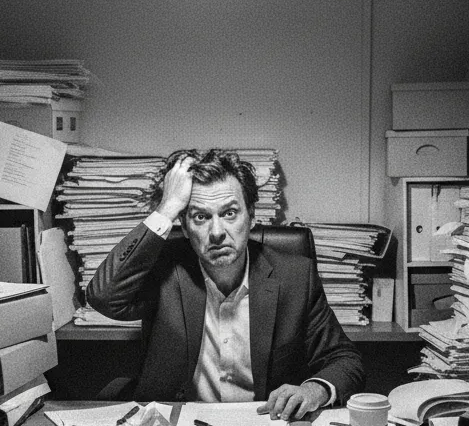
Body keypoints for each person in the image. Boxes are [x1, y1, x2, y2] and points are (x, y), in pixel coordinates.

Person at [87, 148, 364, 412]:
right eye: (200, 217)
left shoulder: (294, 277)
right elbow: (102, 296)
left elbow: (345, 360)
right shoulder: (165, 271)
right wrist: (167, 208)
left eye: (229, 213)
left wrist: (313, 390)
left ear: (251, 216)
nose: (217, 231)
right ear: (183, 226)